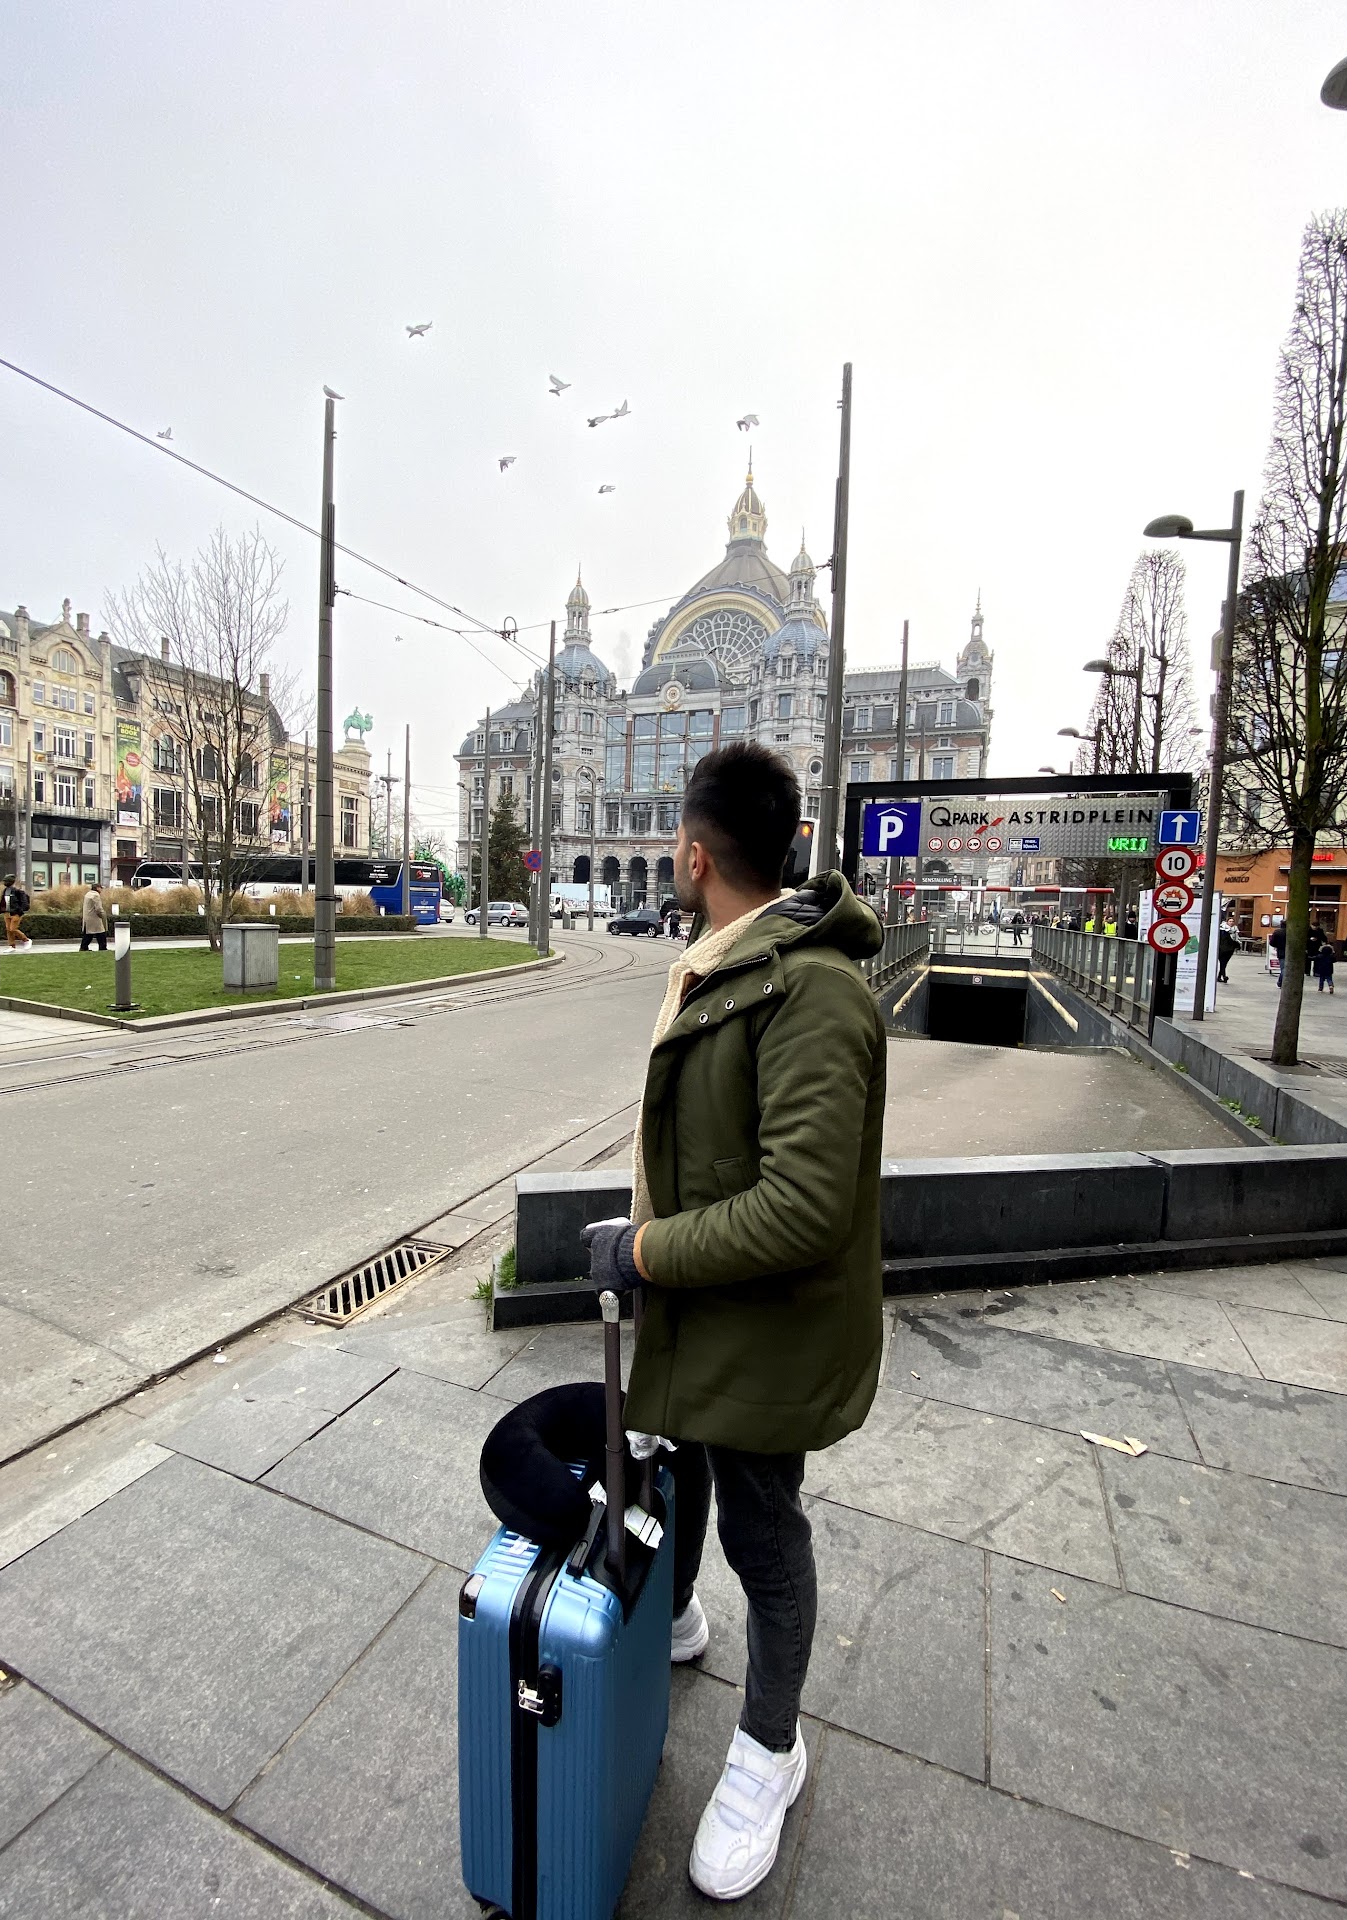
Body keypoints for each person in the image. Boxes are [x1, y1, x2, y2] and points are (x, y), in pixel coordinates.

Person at [582, 743, 885, 1903]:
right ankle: (675, 1616)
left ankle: (770, 1748)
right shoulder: (730, 962)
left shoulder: (813, 990)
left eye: (677, 841)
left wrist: (643, 1251)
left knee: (766, 1531)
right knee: (686, 1468)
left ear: (696, 854)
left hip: (768, 1327)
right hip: (703, 1308)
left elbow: (804, 1208)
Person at [0, 874, 31, 950]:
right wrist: (1, 910)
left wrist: (20, 911)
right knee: (9, 930)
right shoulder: (5, 891)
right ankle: (11, 945)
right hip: (7, 913)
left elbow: (24, 903)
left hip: (15, 913)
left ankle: (26, 940)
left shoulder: (17, 891)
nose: (5, 883)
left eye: (6, 881)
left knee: (13, 929)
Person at [79, 882, 109, 952]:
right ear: (97, 888)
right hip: (95, 918)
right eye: (101, 888)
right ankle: (103, 948)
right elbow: (98, 908)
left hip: (87, 918)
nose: (102, 890)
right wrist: (102, 915)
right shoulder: (96, 895)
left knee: (88, 934)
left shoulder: (88, 894)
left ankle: (84, 947)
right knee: (101, 933)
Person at [1269, 920, 1287, 987]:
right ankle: (1280, 982)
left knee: (1283, 968)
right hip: (1290, 952)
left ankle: (1280, 982)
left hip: (1281, 951)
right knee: (1285, 969)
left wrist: (1278, 946)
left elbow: (1272, 943)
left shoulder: (1277, 932)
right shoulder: (1291, 932)